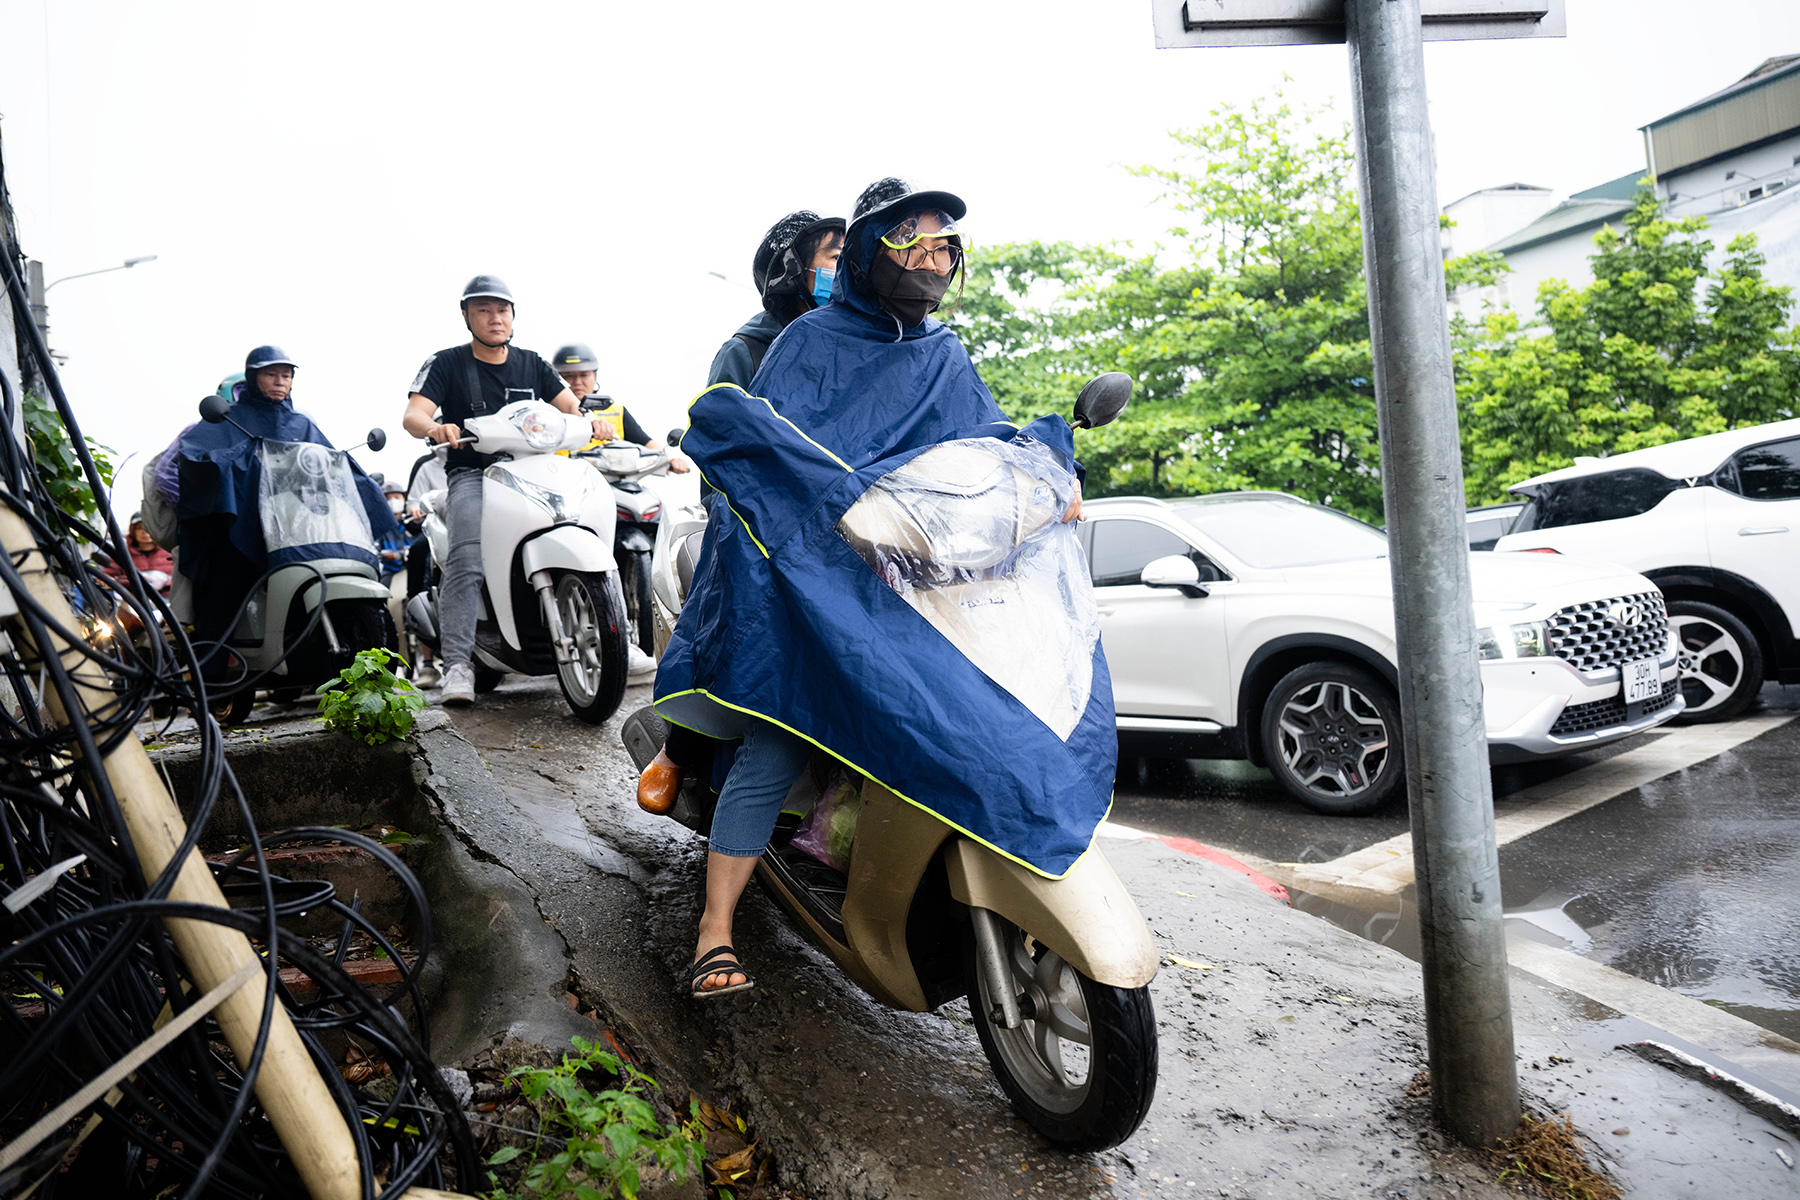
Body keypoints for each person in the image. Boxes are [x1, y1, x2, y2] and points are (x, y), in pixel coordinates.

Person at [650, 180, 1102, 997]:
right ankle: (715, 929)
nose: (929, 262)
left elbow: (983, 440)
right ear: (867, 253)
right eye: (911, 244)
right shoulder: (808, 343)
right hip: (815, 577)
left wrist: (1048, 466)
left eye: (944, 249)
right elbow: (771, 452)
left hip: (909, 580)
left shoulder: (945, 354)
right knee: (780, 735)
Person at [635, 209, 844, 816]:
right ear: (788, 268)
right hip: (756, 524)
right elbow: (719, 451)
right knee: (736, 611)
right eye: (829, 257)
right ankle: (681, 748)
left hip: (840, 526)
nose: (840, 271)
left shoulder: (853, 343)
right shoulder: (748, 348)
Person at [400, 275, 606, 706]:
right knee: (467, 559)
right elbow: (413, 415)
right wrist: (436, 427)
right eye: (484, 311)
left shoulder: (533, 364)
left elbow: (571, 408)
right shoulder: (447, 363)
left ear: (513, 316)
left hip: (533, 471)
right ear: (466, 316)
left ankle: (616, 632)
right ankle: (457, 664)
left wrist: (593, 422)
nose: (495, 319)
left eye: (502, 311)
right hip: (472, 474)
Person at [177, 345, 397, 675]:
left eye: (286, 375)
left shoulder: (301, 424)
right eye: (271, 374)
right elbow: (196, 457)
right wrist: (240, 461)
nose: (280, 381)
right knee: (225, 590)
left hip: (297, 530)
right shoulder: (228, 420)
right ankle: (208, 687)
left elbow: (329, 464)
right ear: (252, 378)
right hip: (246, 528)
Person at [106, 513, 174, 594]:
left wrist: (165, 581)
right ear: (133, 531)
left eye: (149, 527)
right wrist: (104, 579)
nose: (144, 532)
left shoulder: (171, 551)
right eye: (139, 528)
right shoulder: (123, 554)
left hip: (168, 601)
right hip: (134, 602)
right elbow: (109, 573)